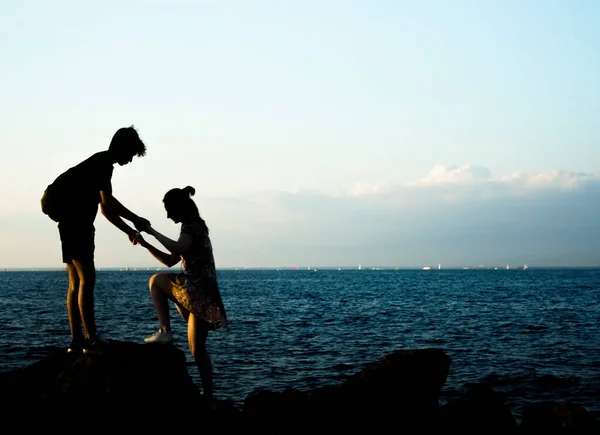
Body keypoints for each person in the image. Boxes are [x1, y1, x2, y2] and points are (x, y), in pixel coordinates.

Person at [41, 125, 150, 355]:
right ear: (123, 148)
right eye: (131, 154)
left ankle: (76, 341)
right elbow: (109, 204)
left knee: (75, 283)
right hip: (78, 226)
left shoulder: (96, 163)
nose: (130, 160)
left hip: (69, 224)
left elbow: (105, 210)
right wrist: (135, 218)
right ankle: (90, 340)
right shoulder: (103, 165)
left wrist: (129, 230)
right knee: (87, 279)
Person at [133, 185, 228, 407]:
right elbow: (170, 259)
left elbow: (178, 246)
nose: (167, 215)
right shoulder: (195, 228)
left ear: (178, 207)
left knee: (156, 281)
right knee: (197, 349)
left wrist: (152, 231)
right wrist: (146, 243)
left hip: (196, 293)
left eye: (169, 210)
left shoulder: (191, 228)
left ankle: (165, 331)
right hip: (204, 295)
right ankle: (210, 398)